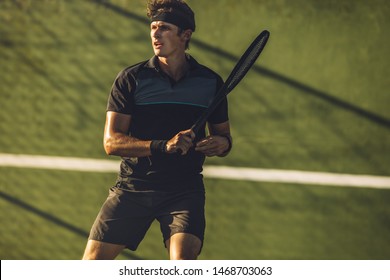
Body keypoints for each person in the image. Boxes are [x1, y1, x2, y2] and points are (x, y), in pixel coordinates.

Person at [82, 0, 232, 260]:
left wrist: (221, 145)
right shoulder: (131, 79)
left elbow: (224, 136)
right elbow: (111, 142)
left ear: (185, 35)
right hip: (133, 187)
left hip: (184, 191)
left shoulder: (210, 82)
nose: (155, 33)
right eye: (153, 27)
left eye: (163, 28)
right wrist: (164, 145)